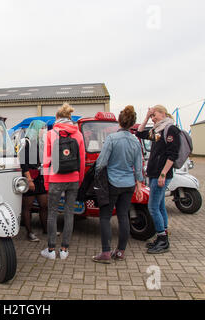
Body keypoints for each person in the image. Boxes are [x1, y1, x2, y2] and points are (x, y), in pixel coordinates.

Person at [92, 105, 144, 264]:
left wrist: (95, 177)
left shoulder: (111, 139)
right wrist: (139, 185)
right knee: (123, 216)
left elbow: (101, 162)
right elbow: (138, 165)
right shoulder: (135, 141)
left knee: (105, 217)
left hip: (112, 183)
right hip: (128, 184)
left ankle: (106, 252)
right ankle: (120, 251)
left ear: (119, 122)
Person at [41, 103, 85, 260]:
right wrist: (80, 179)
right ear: (70, 118)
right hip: (73, 178)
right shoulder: (78, 134)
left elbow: (46, 160)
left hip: (55, 178)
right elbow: (82, 160)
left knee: (52, 213)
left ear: (57, 117)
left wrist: (46, 181)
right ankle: (65, 249)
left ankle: (51, 250)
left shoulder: (51, 134)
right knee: (69, 213)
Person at [136, 105, 180, 254]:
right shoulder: (157, 131)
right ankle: (162, 235)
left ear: (163, 114)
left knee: (153, 207)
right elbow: (140, 133)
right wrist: (146, 117)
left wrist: (163, 174)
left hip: (161, 175)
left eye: (154, 115)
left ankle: (163, 240)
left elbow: (172, 155)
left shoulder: (171, 129)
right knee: (160, 206)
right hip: (154, 174)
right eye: (152, 116)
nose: (153, 118)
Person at [19, 120, 48, 242]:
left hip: (40, 177)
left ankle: (46, 230)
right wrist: (29, 180)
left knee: (44, 205)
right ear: (36, 129)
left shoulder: (40, 143)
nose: (44, 131)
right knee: (27, 207)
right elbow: (22, 162)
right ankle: (29, 232)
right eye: (42, 129)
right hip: (29, 177)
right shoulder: (26, 142)